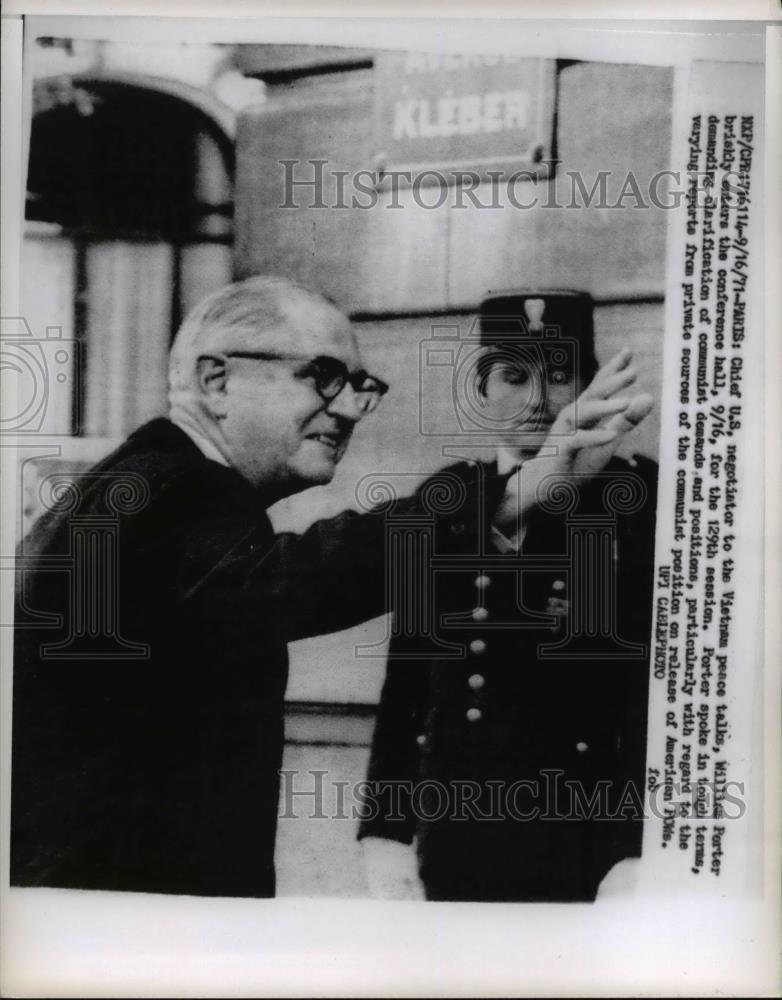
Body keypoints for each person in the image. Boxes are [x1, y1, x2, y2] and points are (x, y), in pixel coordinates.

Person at [11, 275, 400, 898]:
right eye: (323, 375)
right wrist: (502, 493)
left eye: (358, 386)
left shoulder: (136, 481)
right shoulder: (180, 492)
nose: (350, 407)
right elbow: (300, 581)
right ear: (217, 381)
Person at [359, 290, 658, 903]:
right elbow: (408, 680)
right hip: (454, 830)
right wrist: (386, 831)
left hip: (585, 838)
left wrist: (635, 848)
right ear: (481, 389)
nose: (536, 400)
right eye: (512, 376)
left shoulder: (635, 501)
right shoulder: (450, 500)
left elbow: (650, 695)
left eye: (557, 375)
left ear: (588, 384)